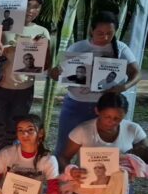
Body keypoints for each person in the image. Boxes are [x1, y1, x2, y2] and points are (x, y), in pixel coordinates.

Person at [50, 11, 141, 158]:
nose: (105, 37)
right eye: (100, 33)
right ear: (91, 30)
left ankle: (86, 179)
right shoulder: (77, 47)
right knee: (63, 147)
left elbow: (136, 73)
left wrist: (123, 87)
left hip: (105, 109)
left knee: (93, 152)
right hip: (75, 105)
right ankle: (58, 178)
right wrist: (57, 73)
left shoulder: (121, 48)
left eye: (109, 33)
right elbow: (55, 74)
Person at [59, 93, 148, 194]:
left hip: (117, 188)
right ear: (97, 111)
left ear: (124, 115)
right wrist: (72, 170)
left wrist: (129, 158)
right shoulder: (83, 130)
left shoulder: (133, 129)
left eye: (117, 118)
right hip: (87, 188)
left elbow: (144, 154)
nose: (111, 122)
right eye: (107, 116)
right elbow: (63, 157)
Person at [0, 0, 51, 156]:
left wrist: (42, 47)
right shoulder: (3, 27)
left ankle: (8, 171)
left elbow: (45, 66)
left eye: (36, 7)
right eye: (28, 5)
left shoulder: (42, 32)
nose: (31, 10)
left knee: (14, 133)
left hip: (24, 90)